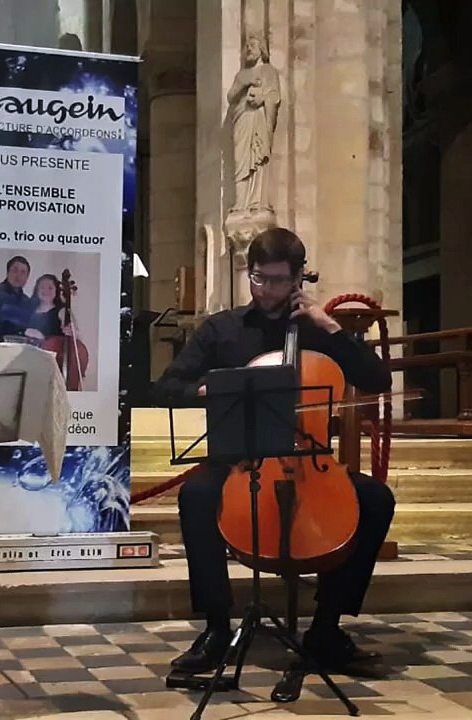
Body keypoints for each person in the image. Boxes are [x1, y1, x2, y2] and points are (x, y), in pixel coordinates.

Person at [153, 227, 395, 676]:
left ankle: (326, 628)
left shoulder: (321, 333)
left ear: (300, 277)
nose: (266, 290)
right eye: (259, 278)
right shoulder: (221, 329)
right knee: (196, 497)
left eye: (279, 280)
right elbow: (167, 385)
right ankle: (215, 628)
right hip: (237, 462)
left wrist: (334, 328)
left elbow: (379, 380)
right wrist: (204, 388)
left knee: (377, 500)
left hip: (309, 461)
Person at [0, 256, 33, 339]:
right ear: (7, 272)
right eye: (15, 270)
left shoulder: (27, 301)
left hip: (20, 347)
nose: (18, 276)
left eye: (23, 272)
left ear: (27, 278)